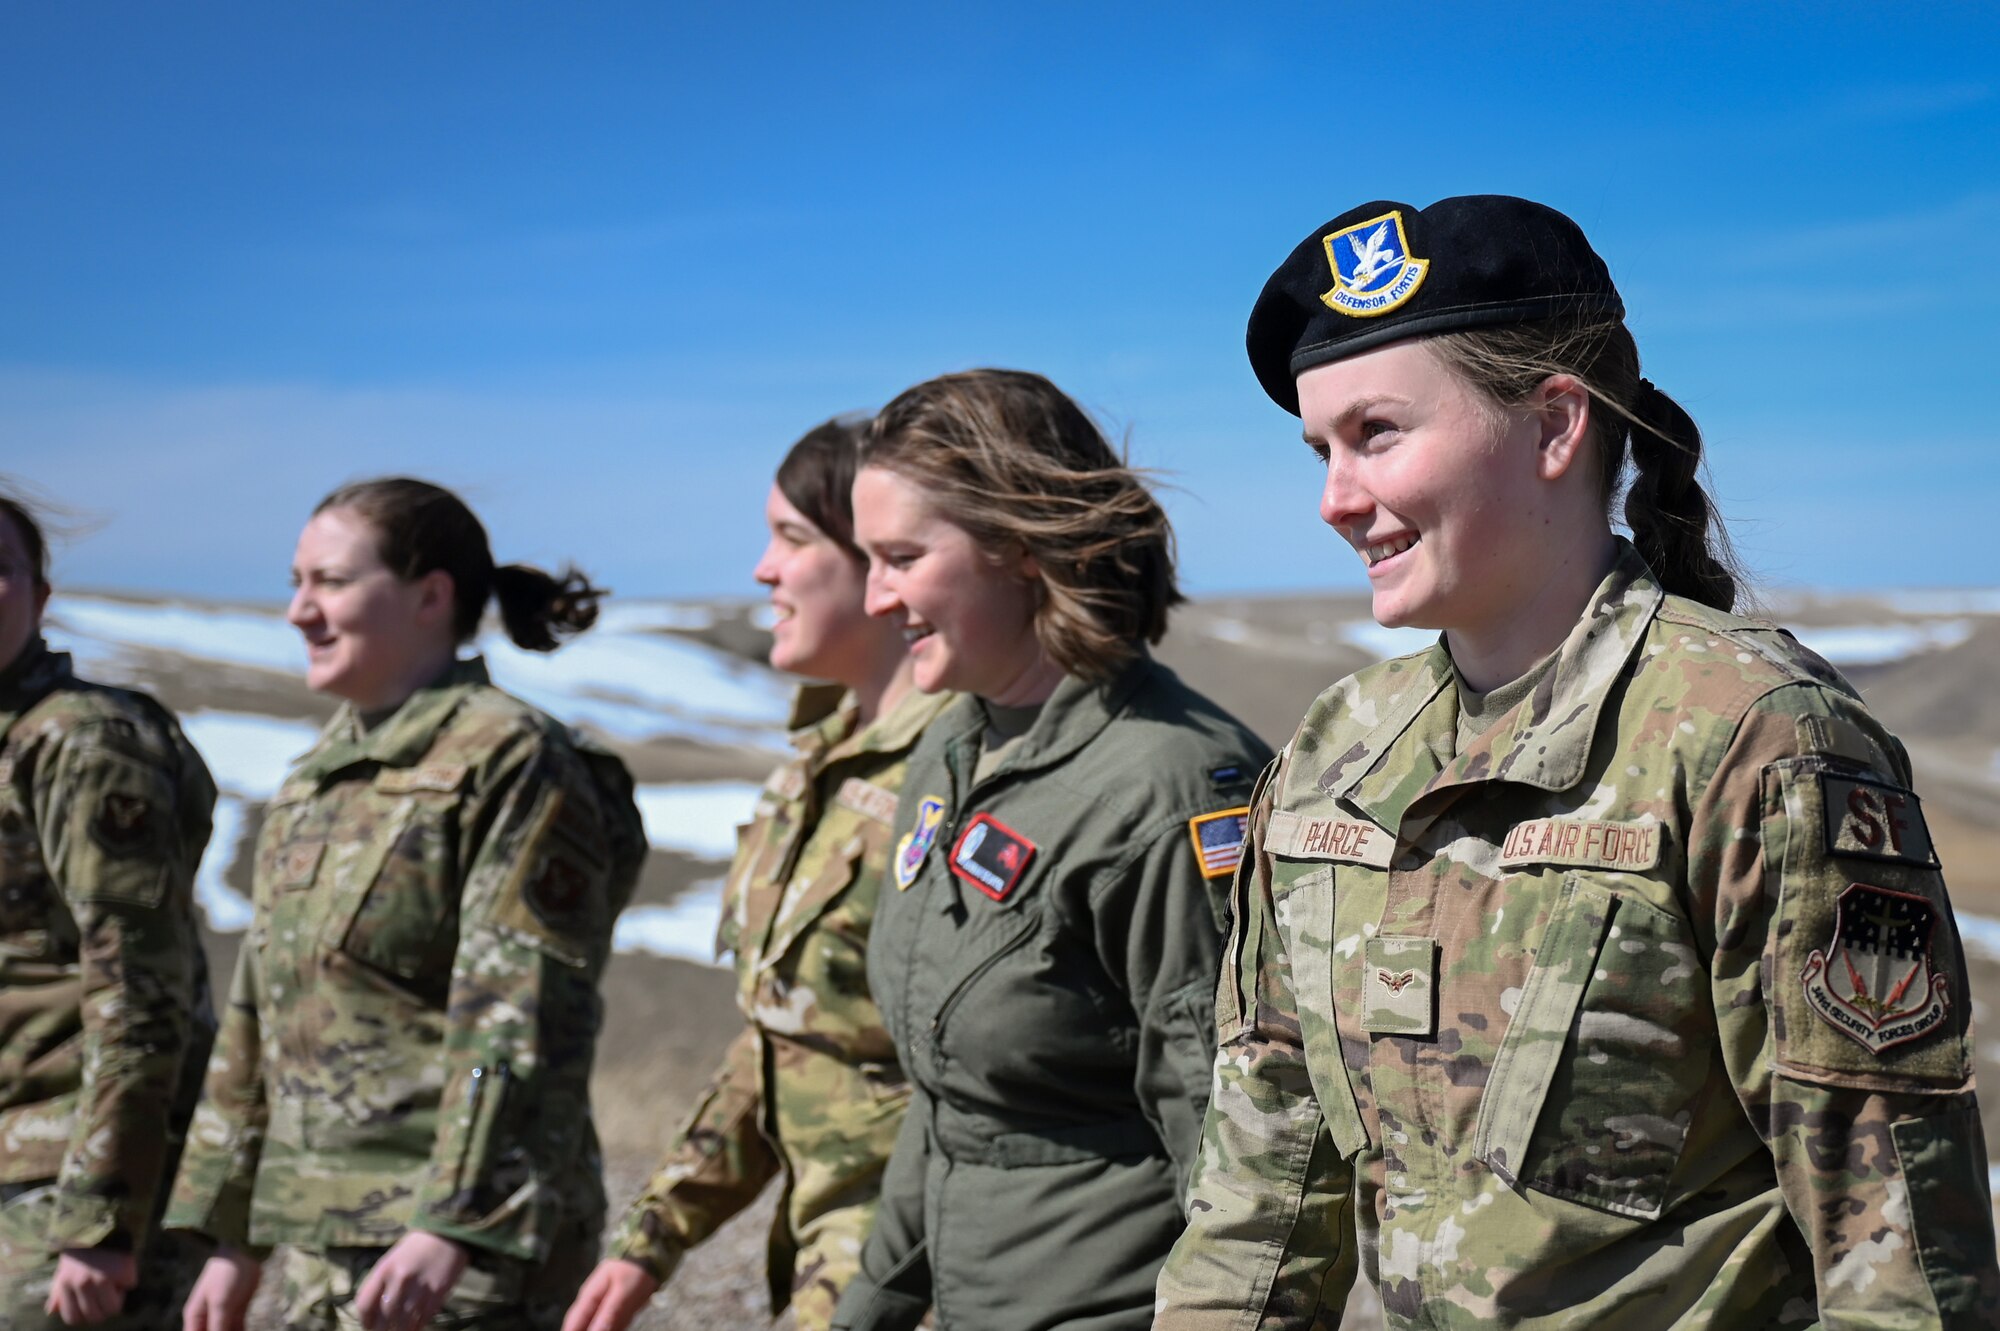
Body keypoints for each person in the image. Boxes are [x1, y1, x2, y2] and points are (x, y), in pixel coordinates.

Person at [1152, 195, 2000, 1328]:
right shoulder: (1332, 750)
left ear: (1554, 425)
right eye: (1319, 448)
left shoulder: (1752, 736)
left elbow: (1892, 1252)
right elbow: (1256, 1201)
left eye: (1377, 434)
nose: (1333, 500)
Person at [827, 370, 1273, 1331]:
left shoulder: (1172, 787)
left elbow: (1235, 1150)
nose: (874, 598)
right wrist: (870, 1307)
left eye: (901, 556)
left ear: (1020, 548)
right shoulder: (956, 745)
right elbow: (955, 1108)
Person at [165, 478, 647, 1331]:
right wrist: (231, 1234)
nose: (298, 611)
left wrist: (453, 1217)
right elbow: (260, 1012)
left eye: (332, 582)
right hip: (327, 1243)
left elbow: (518, 1015)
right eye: (295, 581)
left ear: (431, 595)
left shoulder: (511, 758)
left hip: (461, 1260)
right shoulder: (317, 776)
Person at [563, 418, 952, 1331]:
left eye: (791, 538)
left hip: (917, 1275)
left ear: (881, 558)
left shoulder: (960, 767)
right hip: (824, 1257)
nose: (762, 571)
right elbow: (781, 1034)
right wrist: (655, 1236)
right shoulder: (816, 761)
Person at [0, 489, 217, 1330]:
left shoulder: (83, 744)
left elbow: (141, 989)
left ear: (39, 597)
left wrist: (102, 1214)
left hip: (62, 1177)